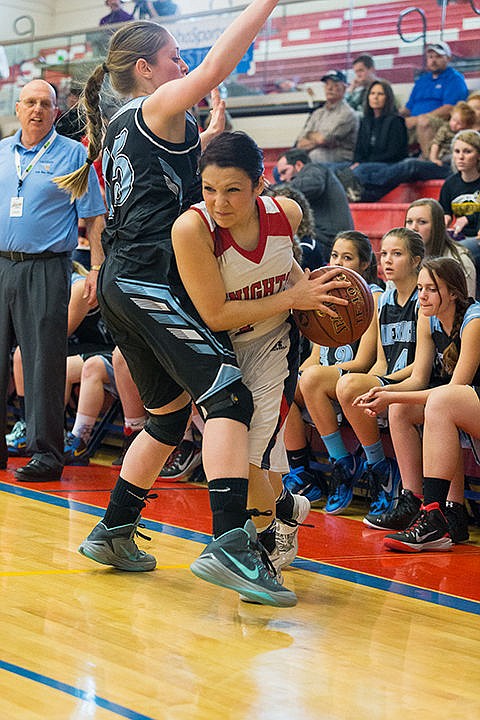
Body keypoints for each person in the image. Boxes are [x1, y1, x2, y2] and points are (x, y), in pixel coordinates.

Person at [56, 5, 348, 606]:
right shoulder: (153, 107)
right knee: (228, 395)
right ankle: (232, 546)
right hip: (148, 284)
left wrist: (206, 141)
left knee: (165, 418)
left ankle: (113, 530)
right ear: (145, 70)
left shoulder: (130, 123)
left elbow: (160, 181)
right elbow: (220, 63)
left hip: (124, 283)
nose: (183, 66)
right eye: (173, 59)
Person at [173, 131, 344, 573]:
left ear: (259, 184)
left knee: (246, 457)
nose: (219, 203)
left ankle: (269, 542)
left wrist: (306, 295)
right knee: (246, 458)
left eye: (232, 190)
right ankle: (285, 505)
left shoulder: (285, 213)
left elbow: (288, 273)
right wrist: (293, 297)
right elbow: (214, 314)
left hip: (274, 346)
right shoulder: (193, 229)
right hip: (220, 350)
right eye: (209, 189)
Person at [0, 79, 105, 480]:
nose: (37, 110)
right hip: (1, 263)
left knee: (43, 361)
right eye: (30, 102)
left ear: (55, 111)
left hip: (45, 266)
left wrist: (95, 267)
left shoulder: (72, 153)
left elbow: (94, 215)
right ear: (18, 107)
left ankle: (46, 453)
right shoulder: (2, 152)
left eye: (46, 103)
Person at [354, 258, 480, 551]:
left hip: (462, 397)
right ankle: (422, 504)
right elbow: (419, 379)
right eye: (420, 288)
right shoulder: (429, 316)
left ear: (453, 293)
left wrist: (391, 395)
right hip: (461, 402)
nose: (422, 295)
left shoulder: (474, 321)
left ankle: (435, 516)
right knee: (402, 409)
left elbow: (454, 389)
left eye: (431, 289)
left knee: (440, 401)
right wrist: (382, 391)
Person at [327, 228, 425, 520]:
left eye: (397, 254)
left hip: (417, 382)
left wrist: (386, 387)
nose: (388, 260)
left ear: (417, 260)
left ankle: (382, 470)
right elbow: (382, 362)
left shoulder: (424, 300)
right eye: (384, 254)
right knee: (347, 386)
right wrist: (378, 383)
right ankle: (378, 467)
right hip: (393, 378)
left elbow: (421, 365)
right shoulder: (383, 302)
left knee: (350, 386)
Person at [282, 231, 383, 502]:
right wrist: (299, 374)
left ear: (365, 264)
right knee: (285, 383)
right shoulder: (322, 294)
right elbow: (315, 356)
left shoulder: (372, 296)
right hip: (321, 379)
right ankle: (301, 473)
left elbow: (364, 361)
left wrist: (314, 375)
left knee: (311, 379)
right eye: (334, 255)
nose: (338, 262)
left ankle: (342, 461)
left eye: (347, 257)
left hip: (351, 379)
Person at [335, 79, 408, 200]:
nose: (375, 97)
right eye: (372, 94)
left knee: (359, 170)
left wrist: (363, 163)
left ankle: (357, 196)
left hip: (389, 164)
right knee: (334, 168)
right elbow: (359, 149)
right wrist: (357, 162)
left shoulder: (396, 121)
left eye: (380, 94)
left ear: (387, 98)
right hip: (366, 163)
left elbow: (394, 153)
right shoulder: (365, 121)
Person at [275, 148, 353, 261]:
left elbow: (314, 184)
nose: (282, 178)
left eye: (284, 172)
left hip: (328, 240)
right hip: (329, 240)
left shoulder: (314, 169)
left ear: (298, 165)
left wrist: (276, 191)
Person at [399, 41, 468, 159]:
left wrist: (417, 119)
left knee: (424, 122)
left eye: (438, 56)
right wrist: (394, 116)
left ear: (448, 58)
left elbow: (450, 108)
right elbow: (408, 108)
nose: (433, 60)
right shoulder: (422, 81)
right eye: (430, 57)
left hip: (440, 122)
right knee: (390, 122)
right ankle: (390, 161)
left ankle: (428, 162)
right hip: (415, 122)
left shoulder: (454, 79)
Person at [405, 197, 476, 298]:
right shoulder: (401, 258)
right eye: (409, 222)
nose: (413, 228)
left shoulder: (459, 261)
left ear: (437, 226)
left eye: (422, 222)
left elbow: (466, 307)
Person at [296, 70, 359, 164]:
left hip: (341, 158)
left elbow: (323, 139)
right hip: (318, 153)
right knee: (287, 161)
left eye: (335, 85)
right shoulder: (318, 113)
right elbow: (300, 143)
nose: (329, 88)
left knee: (314, 156)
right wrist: (317, 139)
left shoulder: (347, 113)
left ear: (344, 88)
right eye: (327, 84)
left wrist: (311, 135)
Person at [439, 129, 480, 240]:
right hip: (460, 236)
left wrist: (468, 219)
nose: (461, 157)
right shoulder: (450, 184)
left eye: (467, 152)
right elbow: (445, 212)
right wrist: (444, 221)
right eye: (457, 152)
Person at [429, 101, 475, 167]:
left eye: (459, 123)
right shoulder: (445, 129)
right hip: (445, 156)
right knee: (454, 157)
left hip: (460, 156)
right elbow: (436, 144)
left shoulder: (467, 134)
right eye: (453, 120)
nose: (454, 124)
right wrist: (434, 159)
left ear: (467, 126)